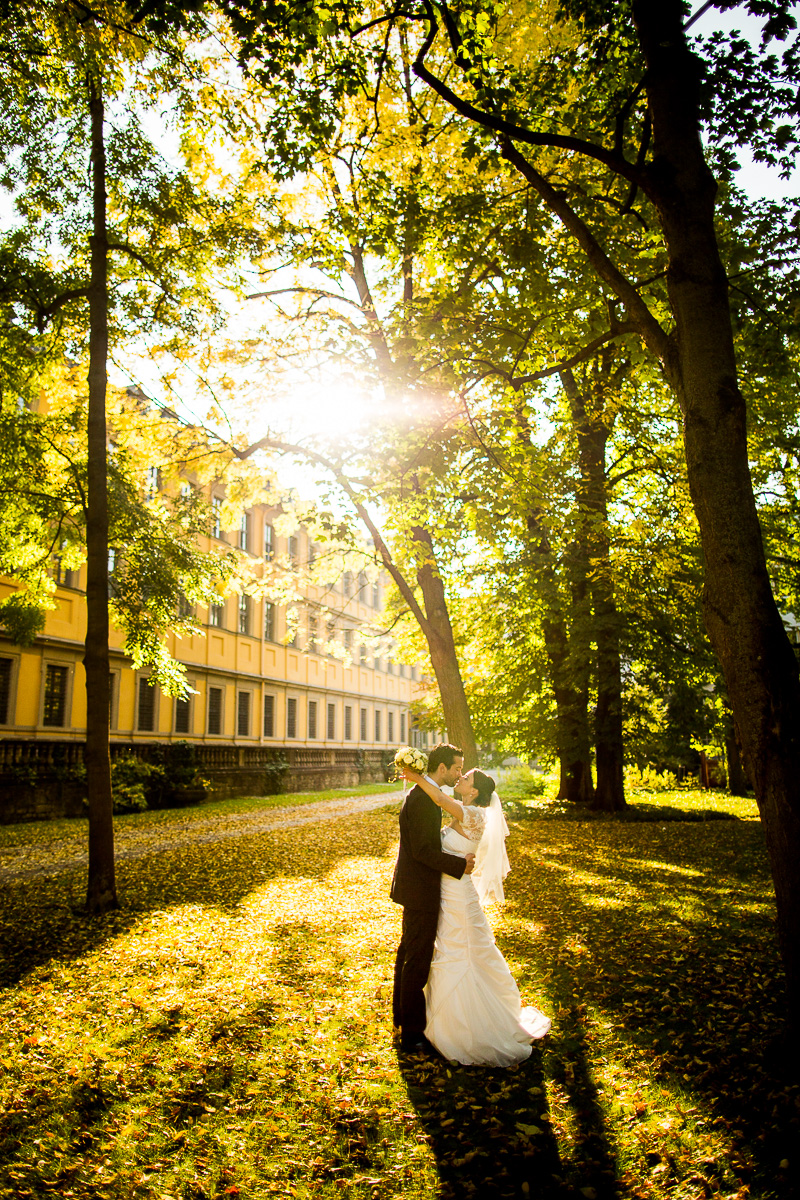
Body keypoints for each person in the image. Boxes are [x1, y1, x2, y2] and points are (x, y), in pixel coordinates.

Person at [402, 764, 551, 1066]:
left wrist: (417, 777)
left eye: (465, 777)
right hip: (447, 891)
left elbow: (442, 801)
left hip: (457, 895)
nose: (460, 778)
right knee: (448, 950)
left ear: (475, 791)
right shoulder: (464, 811)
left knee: (463, 951)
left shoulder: (474, 814)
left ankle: (472, 1025)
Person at [390, 743, 475, 1053]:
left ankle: (402, 1018)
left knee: (409, 952)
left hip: (415, 886)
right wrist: (459, 865)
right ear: (441, 769)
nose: (459, 774)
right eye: (456, 768)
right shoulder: (424, 801)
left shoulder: (423, 796)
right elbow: (424, 851)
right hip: (420, 889)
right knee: (417, 958)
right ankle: (412, 1033)